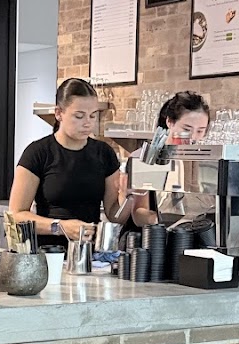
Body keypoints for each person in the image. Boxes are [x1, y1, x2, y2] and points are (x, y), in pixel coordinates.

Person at [9, 78, 152, 247]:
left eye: (93, 115)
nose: (87, 123)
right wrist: (59, 227)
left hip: (89, 251)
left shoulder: (104, 153)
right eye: (79, 116)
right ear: (59, 113)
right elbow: (16, 216)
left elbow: (114, 216)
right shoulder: (38, 153)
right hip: (48, 252)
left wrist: (129, 196)